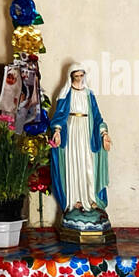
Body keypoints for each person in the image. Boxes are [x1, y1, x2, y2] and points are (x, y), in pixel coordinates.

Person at [50, 63, 112, 232]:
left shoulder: (89, 94)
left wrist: (104, 133)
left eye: (81, 75)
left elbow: (98, 116)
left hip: (86, 130)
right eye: (75, 76)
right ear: (71, 77)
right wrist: (57, 131)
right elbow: (60, 115)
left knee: (87, 164)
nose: (79, 79)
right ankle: (74, 201)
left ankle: (90, 199)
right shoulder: (66, 93)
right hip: (71, 131)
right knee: (72, 165)